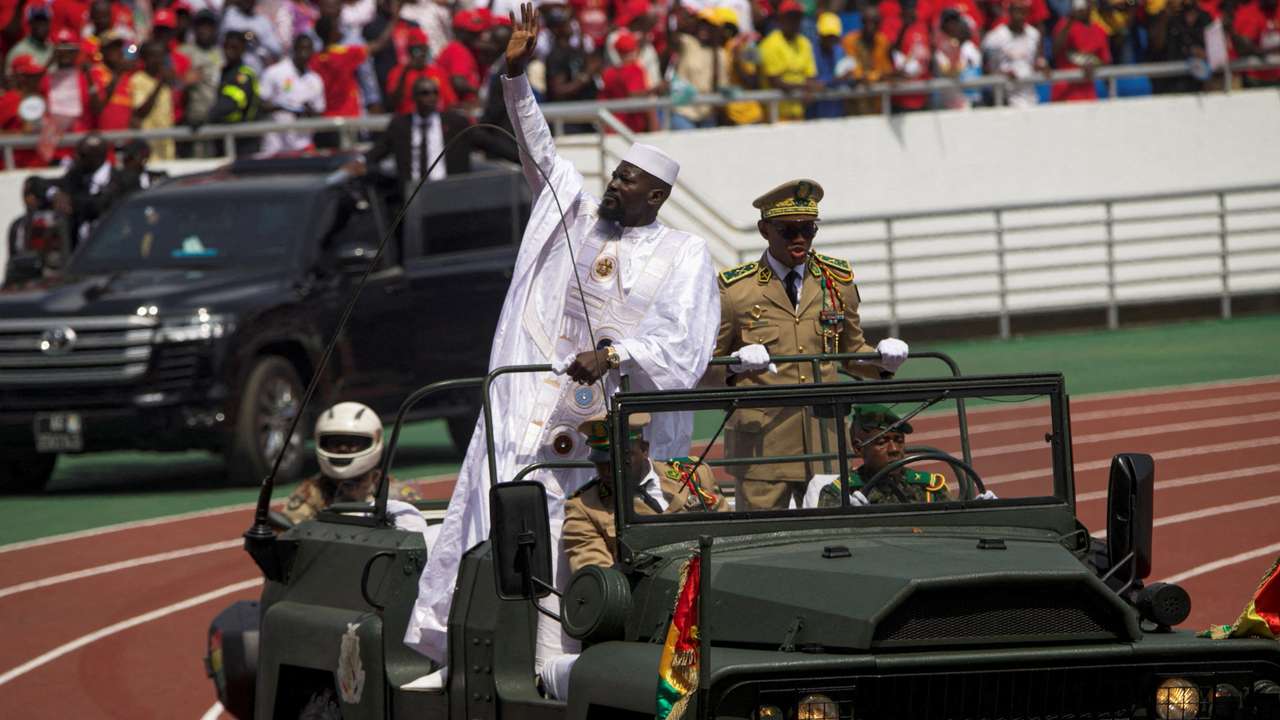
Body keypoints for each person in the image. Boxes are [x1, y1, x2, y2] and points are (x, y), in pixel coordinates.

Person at [405, 1, 719, 678]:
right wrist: (515, 81)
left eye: (628, 180)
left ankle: (568, 672)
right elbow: (538, 149)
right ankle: (451, 650)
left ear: (656, 196)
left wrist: (613, 356)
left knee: (582, 552)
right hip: (534, 409)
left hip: (614, 432)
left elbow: (684, 349)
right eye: (615, 174)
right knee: (486, 521)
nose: (614, 185)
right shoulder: (575, 215)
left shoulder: (685, 255)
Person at [704, 179, 910, 511]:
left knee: (833, 536)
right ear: (764, 230)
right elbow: (704, 369)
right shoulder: (735, 291)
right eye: (788, 230)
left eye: (808, 229)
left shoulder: (836, 282)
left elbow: (851, 354)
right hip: (763, 445)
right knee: (762, 539)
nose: (800, 238)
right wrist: (734, 365)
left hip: (824, 438)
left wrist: (884, 361)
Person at [563, 413, 727, 574]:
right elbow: (603, 581)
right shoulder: (586, 508)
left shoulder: (694, 475)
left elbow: (732, 535)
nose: (608, 470)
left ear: (644, 449)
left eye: (621, 458)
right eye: (601, 462)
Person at [281, 402, 428, 533]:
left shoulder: (394, 491)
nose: (343, 449)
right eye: (336, 443)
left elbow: (421, 528)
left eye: (352, 443)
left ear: (374, 441)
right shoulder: (310, 493)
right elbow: (286, 537)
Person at [813, 404, 998, 506]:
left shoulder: (928, 488)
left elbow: (953, 529)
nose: (894, 449)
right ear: (858, 448)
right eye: (882, 442)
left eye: (899, 440)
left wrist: (978, 511)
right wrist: (849, 519)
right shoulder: (841, 493)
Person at [259, 34, 325, 154]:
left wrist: (308, 111)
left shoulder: (315, 79)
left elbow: (319, 113)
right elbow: (261, 104)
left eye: (308, 49)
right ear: (294, 49)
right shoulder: (274, 72)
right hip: (275, 145)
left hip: (303, 144)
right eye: (301, 48)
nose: (304, 53)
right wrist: (284, 108)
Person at [758, 0, 818, 121]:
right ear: (780, 19)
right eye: (790, 17)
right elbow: (775, 81)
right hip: (775, 116)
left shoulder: (804, 43)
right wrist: (805, 87)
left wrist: (809, 86)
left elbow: (810, 76)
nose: (795, 22)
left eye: (798, 18)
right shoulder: (770, 44)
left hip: (799, 114)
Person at [981, 0, 1046, 108]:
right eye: (1016, 12)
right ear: (1009, 12)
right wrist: (1001, 74)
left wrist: (1042, 66)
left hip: (1030, 95)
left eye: (1023, 12)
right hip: (1005, 97)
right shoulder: (995, 37)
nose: (1020, 16)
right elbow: (985, 67)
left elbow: (1038, 60)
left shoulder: (1034, 34)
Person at [207, 31, 261, 154]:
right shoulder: (223, 72)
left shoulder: (245, 75)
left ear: (242, 49)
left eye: (234, 48)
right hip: (224, 140)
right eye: (227, 47)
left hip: (244, 143)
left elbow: (231, 102)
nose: (229, 51)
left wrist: (206, 116)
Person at [384, 26, 455, 114]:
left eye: (422, 49)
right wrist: (405, 73)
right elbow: (392, 103)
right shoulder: (397, 72)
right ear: (409, 50)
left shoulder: (438, 72)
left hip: (435, 120)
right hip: (408, 122)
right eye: (416, 50)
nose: (420, 53)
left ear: (426, 49)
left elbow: (450, 103)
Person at [1051, 0, 1112, 101]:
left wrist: (1094, 66)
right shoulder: (1064, 25)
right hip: (1063, 94)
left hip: (1088, 95)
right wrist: (1070, 20)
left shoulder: (1099, 30)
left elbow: (1105, 62)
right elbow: (1055, 51)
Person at [841, 4, 895, 115]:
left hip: (878, 104)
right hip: (855, 104)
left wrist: (882, 75)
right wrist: (876, 76)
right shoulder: (849, 41)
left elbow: (886, 71)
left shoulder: (883, 41)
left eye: (874, 22)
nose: (870, 26)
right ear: (862, 22)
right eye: (867, 22)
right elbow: (855, 72)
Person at [129, 41, 178, 160]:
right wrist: (160, 84)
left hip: (167, 146)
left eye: (160, 56)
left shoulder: (167, 82)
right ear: (144, 58)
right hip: (148, 148)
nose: (157, 60)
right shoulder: (137, 80)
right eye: (153, 56)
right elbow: (141, 111)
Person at [180, 9, 224, 131]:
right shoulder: (184, 52)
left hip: (218, 118)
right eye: (201, 25)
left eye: (209, 25)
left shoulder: (221, 54)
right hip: (194, 120)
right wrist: (184, 80)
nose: (204, 29)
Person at [933, 7, 982, 109]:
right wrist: (955, 54)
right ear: (943, 26)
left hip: (974, 102)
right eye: (949, 22)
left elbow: (977, 70)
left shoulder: (970, 47)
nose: (953, 26)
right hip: (950, 107)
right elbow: (949, 73)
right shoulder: (940, 51)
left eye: (956, 22)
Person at [220, 0, 283, 73]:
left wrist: (258, 40)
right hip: (229, 69)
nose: (247, 1)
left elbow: (277, 50)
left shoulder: (263, 21)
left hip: (254, 71)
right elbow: (220, 38)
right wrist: (240, 36)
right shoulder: (230, 14)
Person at [809, 11, 848, 119]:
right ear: (819, 34)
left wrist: (849, 77)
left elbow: (847, 78)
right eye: (827, 36)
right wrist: (834, 80)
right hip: (815, 113)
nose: (830, 40)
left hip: (837, 110)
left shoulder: (840, 52)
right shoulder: (810, 52)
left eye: (833, 36)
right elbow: (813, 83)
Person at [5, 2, 52, 73]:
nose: (41, 25)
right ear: (30, 23)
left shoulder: (52, 48)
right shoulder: (19, 51)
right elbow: (11, 82)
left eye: (44, 21)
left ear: (49, 24)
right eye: (36, 21)